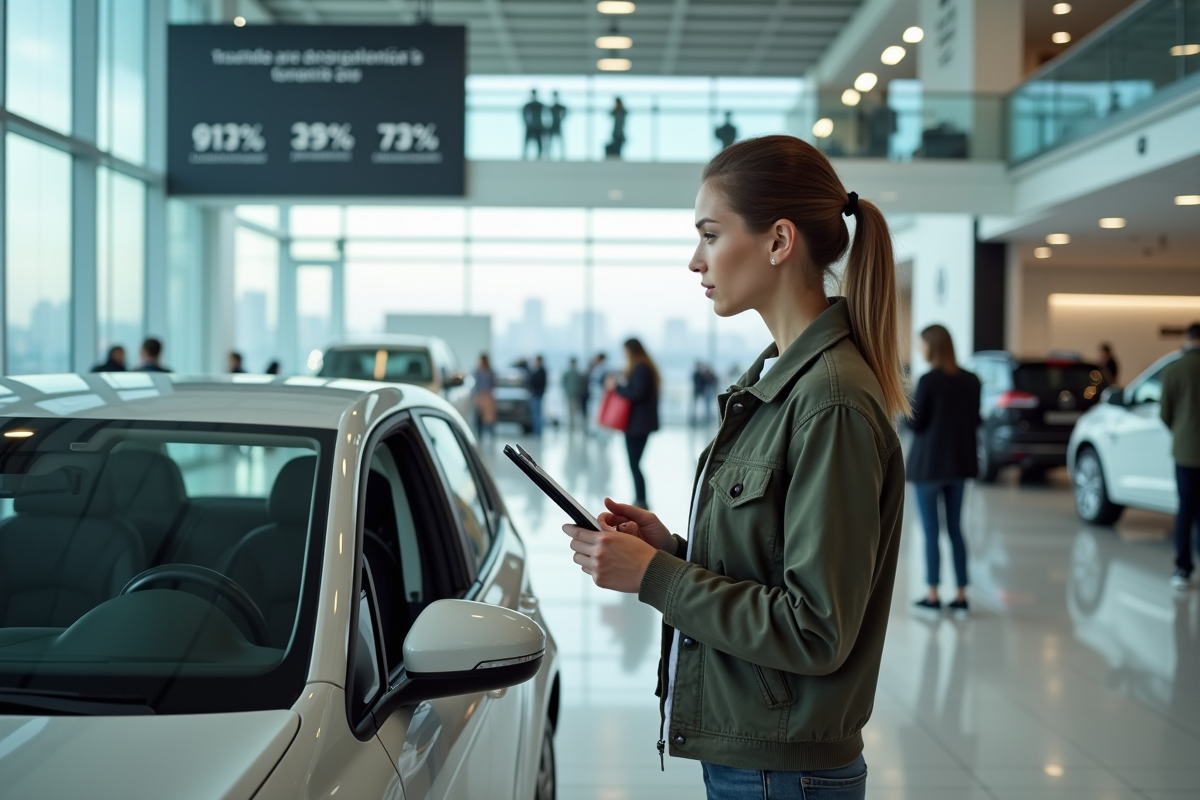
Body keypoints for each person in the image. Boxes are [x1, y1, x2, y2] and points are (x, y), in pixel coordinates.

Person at [561, 135, 907, 800]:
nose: (695, 261)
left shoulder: (828, 400)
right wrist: (672, 551)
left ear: (779, 241)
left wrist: (657, 578)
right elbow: (775, 567)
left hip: (784, 771)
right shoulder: (782, 381)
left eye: (711, 235)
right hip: (764, 756)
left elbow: (816, 629)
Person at [906, 324, 981, 616]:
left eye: (921, 344)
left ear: (933, 347)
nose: (919, 349)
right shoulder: (971, 381)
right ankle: (961, 596)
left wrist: (904, 411)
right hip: (959, 466)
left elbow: (916, 423)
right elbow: (975, 421)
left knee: (930, 532)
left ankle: (933, 595)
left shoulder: (928, 381)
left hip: (929, 468)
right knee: (955, 530)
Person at [1162, 322, 1200, 590]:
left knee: (1186, 510)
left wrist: (1182, 430)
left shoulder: (1175, 369)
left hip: (1186, 451)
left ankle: (1183, 569)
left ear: (1187, 339)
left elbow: (1165, 414)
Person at [605, 339, 659, 509]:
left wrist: (616, 388)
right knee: (635, 463)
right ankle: (640, 498)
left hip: (637, 425)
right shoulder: (644, 368)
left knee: (634, 464)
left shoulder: (641, 369)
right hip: (639, 424)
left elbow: (636, 393)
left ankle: (641, 499)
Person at [472, 353, 497, 440]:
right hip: (480, 396)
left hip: (487, 396)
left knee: (489, 418)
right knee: (479, 416)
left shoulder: (490, 372)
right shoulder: (477, 371)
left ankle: (491, 435)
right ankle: (480, 436)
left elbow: (492, 384)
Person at [562, 357, 587, 432]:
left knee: (571, 411)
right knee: (576, 410)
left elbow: (564, 383)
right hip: (576, 394)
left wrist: (566, 391)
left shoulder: (567, 373)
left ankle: (572, 425)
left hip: (570, 394)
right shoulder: (578, 373)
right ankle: (576, 425)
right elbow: (581, 384)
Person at [526, 355, 548, 436]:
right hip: (537, 394)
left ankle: (537, 431)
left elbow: (534, 381)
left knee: (536, 414)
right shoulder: (540, 370)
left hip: (537, 394)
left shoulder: (541, 371)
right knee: (537, 413)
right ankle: (537, 431)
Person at [522, 89, 545, 160]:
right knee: (527, 142)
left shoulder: (540, 105)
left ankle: (539, 156)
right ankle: (525, 155)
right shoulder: (527, 106)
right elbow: (523, 116)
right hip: (530, 127)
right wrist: (527, 123)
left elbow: (545, 116)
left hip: (538, 127)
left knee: (539, 143)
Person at [547, 91, 568, 159]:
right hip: (552, 125)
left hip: (557, 124)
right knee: (551, 141)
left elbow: (565, 111)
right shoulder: (551, 107)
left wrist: (561, 119)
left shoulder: (559, 106)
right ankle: (549, 154)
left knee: (560, 140)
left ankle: (562, 155)